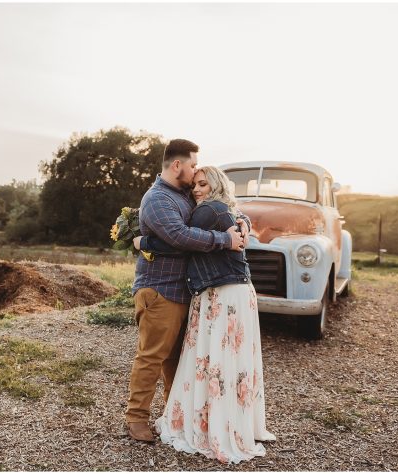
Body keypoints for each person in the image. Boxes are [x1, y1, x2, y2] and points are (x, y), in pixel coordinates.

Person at [138, 166, 276, 463]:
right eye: (194, 186)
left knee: (216, 361)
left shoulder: (207, 210)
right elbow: (206, 230)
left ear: (216, 185)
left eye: (203, 184)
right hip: (235, 292)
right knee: (230, 361)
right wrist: (242, 222)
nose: (196, 189)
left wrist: (141, 241)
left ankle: (215, 427)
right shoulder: (223, 209)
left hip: (221, 293)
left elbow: (179, 239)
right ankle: (233, 423)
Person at [125, 138, 248, 443]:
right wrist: (225, 241)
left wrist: (243, 222)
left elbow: (220, 209)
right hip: (160, 291)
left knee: (178, 362)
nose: (195, 173)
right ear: (177, 165)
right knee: (152, 357)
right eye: (193, 164)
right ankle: (136, 419)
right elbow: (180, 237)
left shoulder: (184, 195)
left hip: (186, 292)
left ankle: (173, 418)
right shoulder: (157, 200)